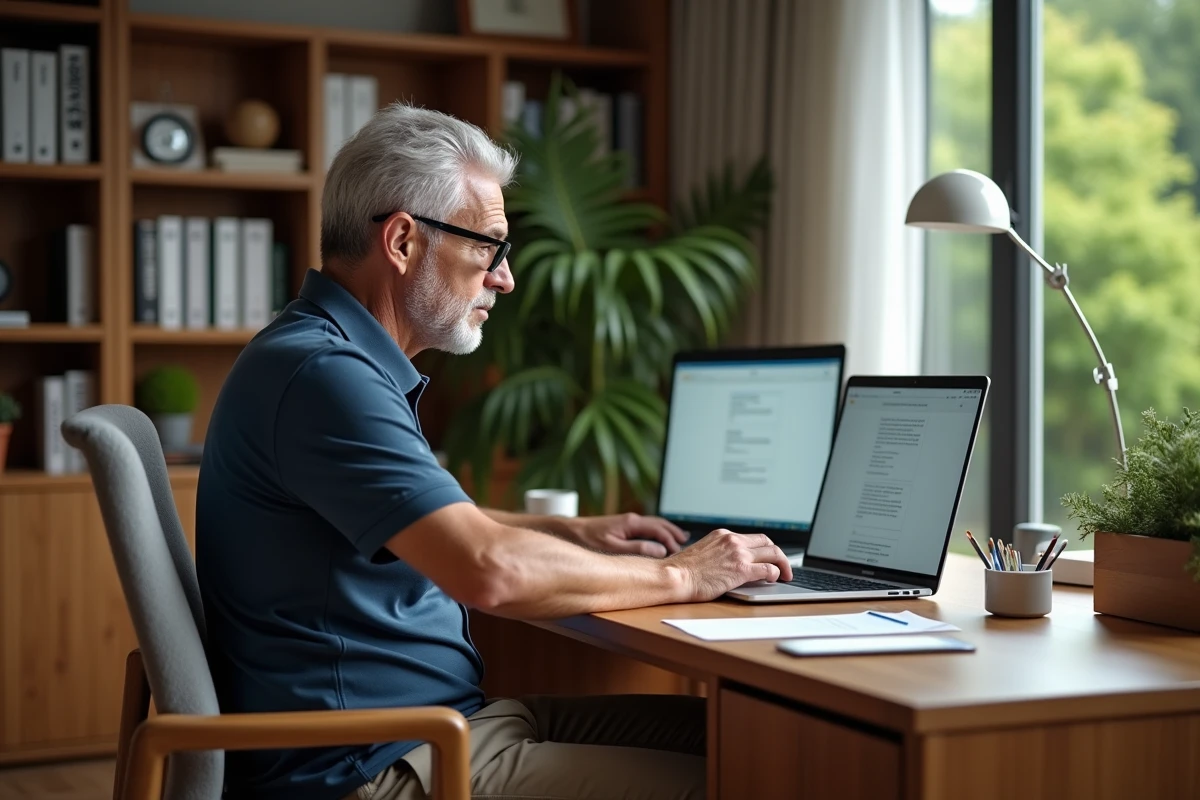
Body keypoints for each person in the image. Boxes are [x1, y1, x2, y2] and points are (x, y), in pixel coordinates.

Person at [196, 103, 793, 800]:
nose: (504, 278)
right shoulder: (326, 377)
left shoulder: (326, 354)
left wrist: (569, 532)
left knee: (760, 740)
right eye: (488, 247)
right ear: (402, 242)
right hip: (373, 766)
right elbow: (488, 573)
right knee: (752, 776)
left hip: (438, 727)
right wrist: (687, 576)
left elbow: (451, 531)